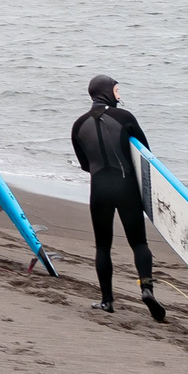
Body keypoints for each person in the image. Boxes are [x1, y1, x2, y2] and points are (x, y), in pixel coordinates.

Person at [72, 75, 167, 321]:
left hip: (99, 190)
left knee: (103, 246)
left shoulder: (78, 125)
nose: (119, 95)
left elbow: (85, 165)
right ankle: (146, 288)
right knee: (139, 243)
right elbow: (145, 154)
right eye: (117, 90)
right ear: (107, 92)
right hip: (126, 188)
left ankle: (107, 301)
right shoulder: (125, 118)